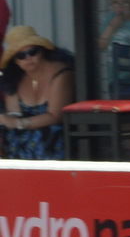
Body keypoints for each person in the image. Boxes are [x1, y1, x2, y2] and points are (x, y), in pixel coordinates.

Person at [0, 26, 75, 160]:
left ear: (42, 51)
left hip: (53, 136)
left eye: (33, 52)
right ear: (15, 61)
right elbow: (14, 113)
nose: (28, 58)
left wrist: (19, 123)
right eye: (21, 55)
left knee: (42, 136)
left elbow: (55, 116)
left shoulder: (61, 73)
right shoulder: (13, 78)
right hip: (22, 137)